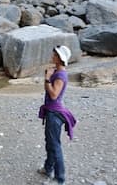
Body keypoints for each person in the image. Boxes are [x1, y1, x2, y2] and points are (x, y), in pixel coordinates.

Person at [37, 45, 77, 184]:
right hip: (52, 111)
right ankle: (48, 168)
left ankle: (60, 178)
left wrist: (48, 78)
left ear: (60, 58)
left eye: (54, 55)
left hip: (54, 113)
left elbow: (53, 95)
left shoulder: (60, 75)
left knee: (55, 145)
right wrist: (47, 78)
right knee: (50, 143)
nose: (52, 56)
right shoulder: (58, 72)